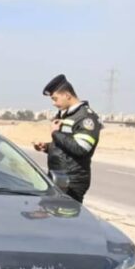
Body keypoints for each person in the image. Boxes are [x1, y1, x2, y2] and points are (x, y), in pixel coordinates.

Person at [34, 74, 101, 203]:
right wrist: (47, 147)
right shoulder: (65, 115)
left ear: (67, 95)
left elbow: (81, 149)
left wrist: (55, 133)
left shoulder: (86, 117)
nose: (54, 103)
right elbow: (65, 145)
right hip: (58, 177)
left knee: (66, 214)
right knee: (51, 212)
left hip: (72, 181)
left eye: (55, 99)